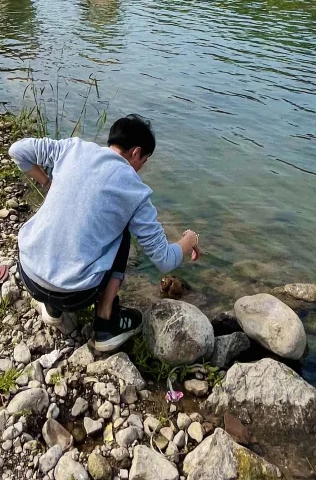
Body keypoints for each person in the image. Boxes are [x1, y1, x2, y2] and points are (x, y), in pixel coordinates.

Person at [11, 114, 200, 352]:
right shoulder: (136, 191)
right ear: (136, 152)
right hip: (74, 295)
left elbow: (18, 151)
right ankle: (106, 322)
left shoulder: (72, 148)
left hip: (28, 274)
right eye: (144, 161)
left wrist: (48, 184)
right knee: (122, 233)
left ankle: (52, 308)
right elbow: (165, 260)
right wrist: (189, 239)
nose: (141, 168)